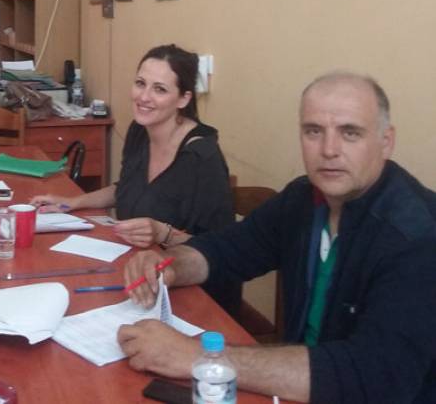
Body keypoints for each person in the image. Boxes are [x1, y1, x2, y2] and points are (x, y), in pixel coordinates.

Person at [119, 72, 436, 403]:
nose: (329, 150)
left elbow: (374, 377)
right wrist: (169, 265)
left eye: (350, 133)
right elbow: (228, 249)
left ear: (386, 141)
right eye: (313, 131)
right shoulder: (304, 197)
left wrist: (199, 357)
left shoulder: (418, 235)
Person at [31, 44, 236, 309]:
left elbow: (221, 249)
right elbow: (127, 188)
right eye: (141, 83)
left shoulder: (202, 157)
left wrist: (163, 233)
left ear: (183, 99)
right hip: (139, 274)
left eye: (159, 89)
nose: (144, 97)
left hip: (193, 294)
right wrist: (72, 202)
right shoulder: (140, 131)